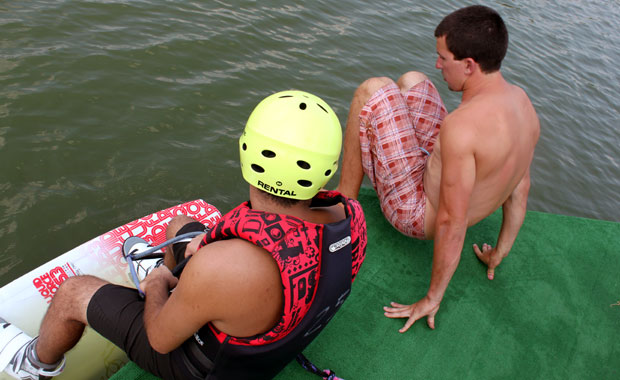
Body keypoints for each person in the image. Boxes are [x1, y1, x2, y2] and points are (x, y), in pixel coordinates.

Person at [2, 90, 367, 379]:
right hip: (275, 338)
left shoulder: (222, 266)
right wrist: (201, 266)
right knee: (180, 227)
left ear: (245, 150)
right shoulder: (352, 218)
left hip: (207, 366)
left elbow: (161, 341)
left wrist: (161, 282)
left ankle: (34, 365)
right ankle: (185, 297)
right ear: (326, 168)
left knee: (72, 293)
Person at [336, 5, 540, 333]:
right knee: (412, 81)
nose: (438, 64)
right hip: (450, 179)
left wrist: (433, 297)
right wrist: (500, 250)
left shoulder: (461, 128)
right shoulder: (522, 103)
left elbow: (451, 221)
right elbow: (520, 187)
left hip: (418, 212)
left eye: (444, 59)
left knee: (371, 90)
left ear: (470, 65)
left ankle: (342, 212)